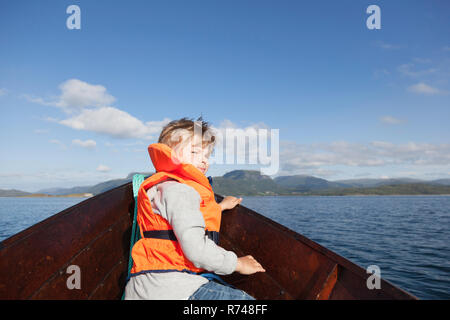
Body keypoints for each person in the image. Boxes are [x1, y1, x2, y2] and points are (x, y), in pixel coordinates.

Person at [124, 116, 265, 300]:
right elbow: (196, 250)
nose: (204, 161)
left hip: (146, 286)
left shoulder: (165, 187)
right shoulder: (181, 191)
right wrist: (238, 263)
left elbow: (184, 217)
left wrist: (220, 207)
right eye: (194, 152)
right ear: (169, 153)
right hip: (171, 289)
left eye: (207, 155)